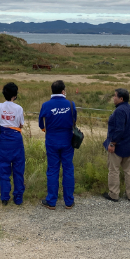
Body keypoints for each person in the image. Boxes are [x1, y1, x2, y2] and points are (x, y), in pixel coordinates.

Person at [38, 80, 77, 210]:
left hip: (52, 141)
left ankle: (51, 201)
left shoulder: (45, 105)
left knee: (53, 170)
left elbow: (41, 125)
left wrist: (46, 131)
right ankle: (69, 201)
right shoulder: (71, 104)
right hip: (67, 140)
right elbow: (74, 120)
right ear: (63, 91)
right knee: (68, 169)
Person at [102, 88, 130, 203]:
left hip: (117, 146)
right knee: (129, 171)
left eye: (115, 96)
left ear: (121, 98)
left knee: (114, 170)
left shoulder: (119, 111)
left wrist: (112, 143)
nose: (113, 98)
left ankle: (114, 194)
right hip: (129, 145)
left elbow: (119, 130)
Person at [0, 82, 25, 206]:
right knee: (18, 169)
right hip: (16, 139)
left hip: (3, 138)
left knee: (3, 168)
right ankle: (18, 198)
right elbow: (21, 124)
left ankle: (4, 197)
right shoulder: (18, 108)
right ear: (15, 94)